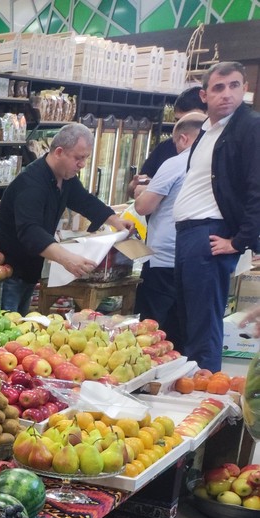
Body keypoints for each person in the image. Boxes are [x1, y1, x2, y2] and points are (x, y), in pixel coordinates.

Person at [0, 123, 133, 315]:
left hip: (29, 269)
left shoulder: (65, 178)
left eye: (86, 158)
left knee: (20, 325)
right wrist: (67, 259)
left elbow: (85, 201)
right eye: (78, 158)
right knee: (6, 324)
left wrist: (115, 220)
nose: (82, 164)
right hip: (7, 270)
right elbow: (30, 231)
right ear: (58, 152)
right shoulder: (31, 183)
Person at [173, 61, 260, 371]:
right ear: (204, 95)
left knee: (203, 323)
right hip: (189, 234)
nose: (227, 94)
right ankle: (194, 383)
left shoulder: (249, 127)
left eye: (234, 86)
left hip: (209, 233)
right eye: (219, 88)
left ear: (245, 89)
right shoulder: (209, 131)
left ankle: (205, 387)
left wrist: (239, 241)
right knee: (188, 319)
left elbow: (257, 187)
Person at [131, 112, 207, 333]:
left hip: (163, 259)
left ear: (183, 138)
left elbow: (143, 207)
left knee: (150, 328)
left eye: (175, 143)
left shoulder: (176, 163)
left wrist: (141, 191)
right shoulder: (216, 164)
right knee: (182, 327)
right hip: (197, 258)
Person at [128, 86, 207, 196]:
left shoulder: (216, 151)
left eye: (190, 121)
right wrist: (136, 185)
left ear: (207, 115)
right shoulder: (165, 147)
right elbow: (134, 188)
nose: (182, 127)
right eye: (178, 121)